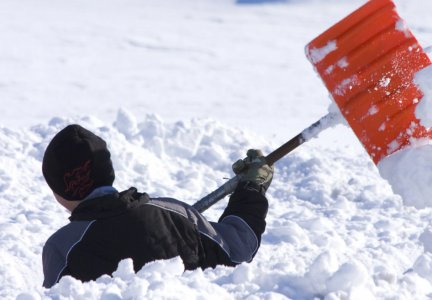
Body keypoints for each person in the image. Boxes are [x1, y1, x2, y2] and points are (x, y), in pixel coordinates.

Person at [41, 124, 274, 288]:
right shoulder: (177, 214)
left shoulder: (61, 248)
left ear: (58, 189)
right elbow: (238, 248)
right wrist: (252, 187)